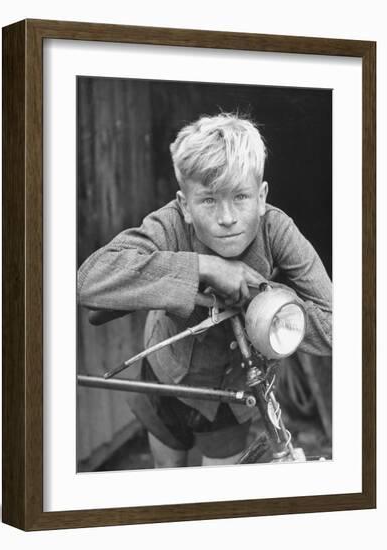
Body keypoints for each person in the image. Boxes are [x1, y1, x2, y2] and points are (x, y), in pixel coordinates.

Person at [77, 113, 332, 468]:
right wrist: (205, 268)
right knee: (167, 475)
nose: (227, 217)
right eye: (209, 200)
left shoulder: (277, 230)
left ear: (261, 197)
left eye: (241, 197)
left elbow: (335, 326)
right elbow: (90, 280)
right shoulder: (169, 224)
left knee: (215, 494)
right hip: (165, 372)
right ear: (184, 205)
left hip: (230, 391)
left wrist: (260, 296)